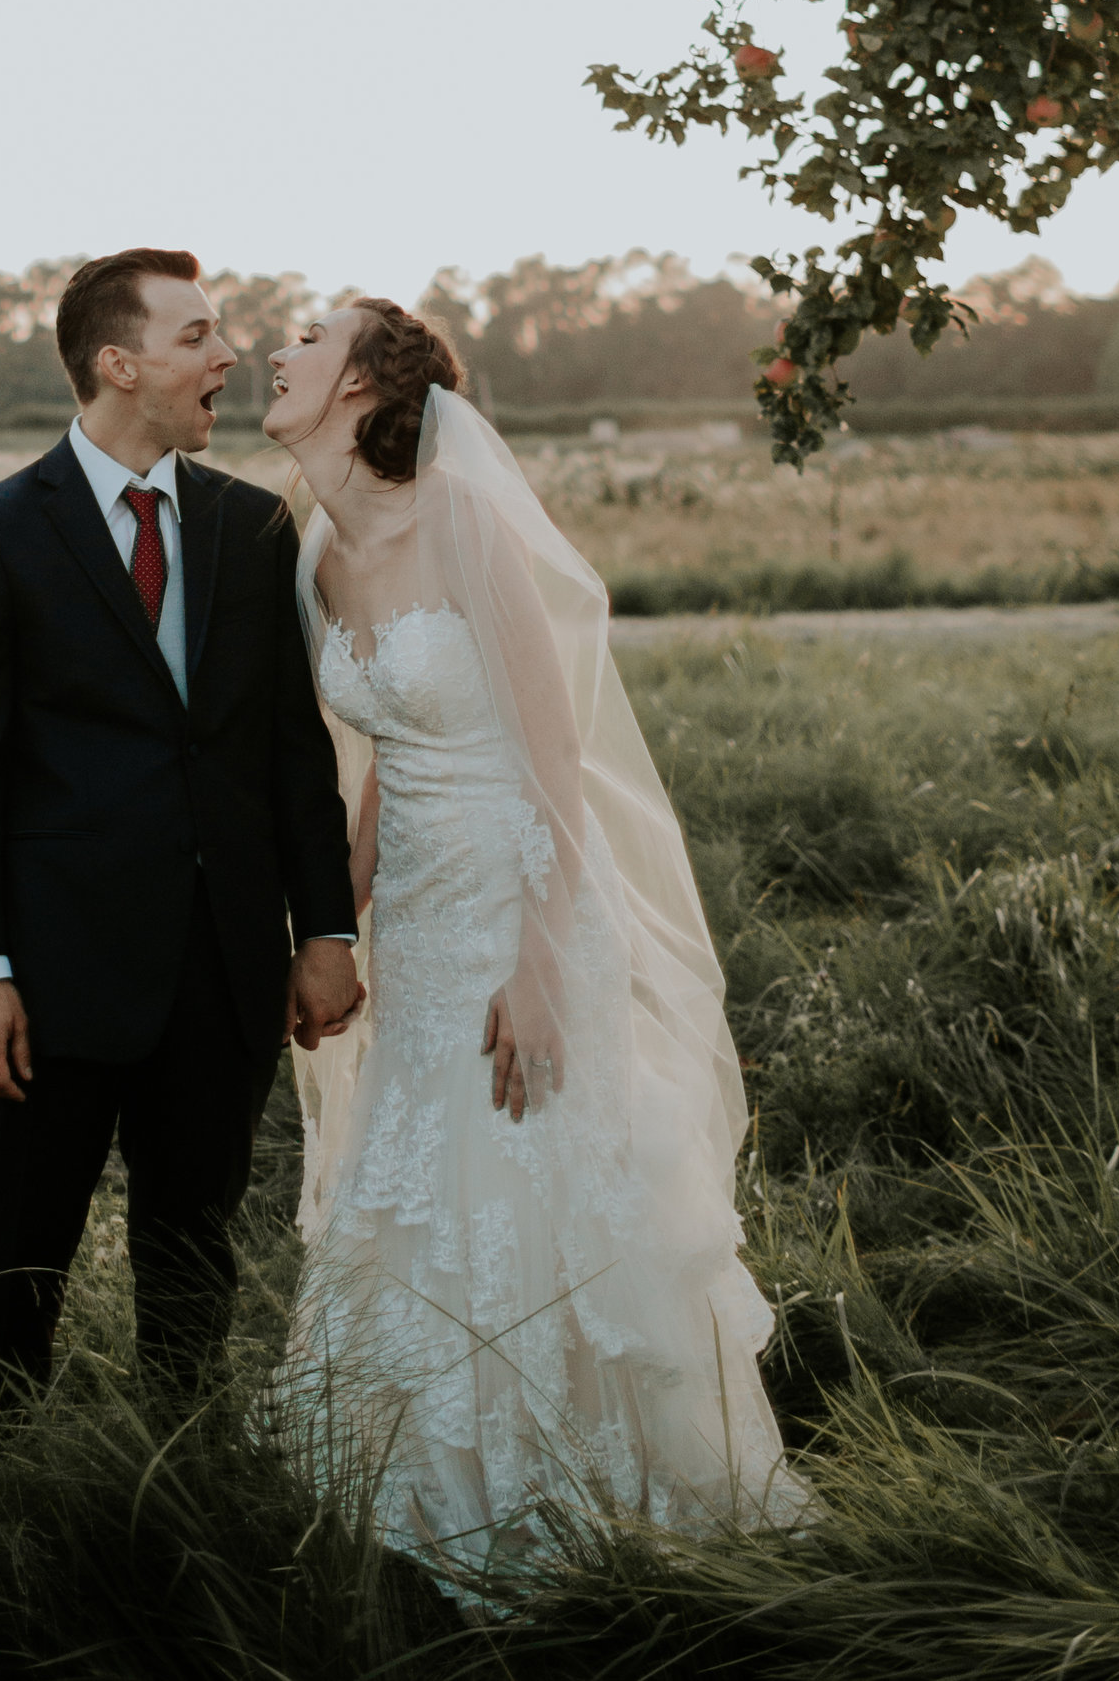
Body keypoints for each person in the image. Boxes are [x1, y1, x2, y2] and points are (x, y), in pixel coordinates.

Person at [263, 296, 808, 1592]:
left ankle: (617, 1509)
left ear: (361, 383)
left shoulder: (459, 510)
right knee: (423, 1182)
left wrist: (544, 958)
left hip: (525, 900)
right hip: (420, 923)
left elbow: (549, 751)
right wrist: (338, 915)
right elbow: (395, 740)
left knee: (546, 1190)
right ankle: (436, 1493)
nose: (277, 353)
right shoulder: (322, 545)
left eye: (305, 337)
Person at [0, 248, 364, 1421]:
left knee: (192, 1286)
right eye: (197, 337)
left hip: (219, 981)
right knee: (11, 1291)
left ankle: (177, 1504)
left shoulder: (252, 528)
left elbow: (290, 753)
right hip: (45, 994)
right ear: (118, 364)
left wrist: (323, 930)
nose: (227, 358)